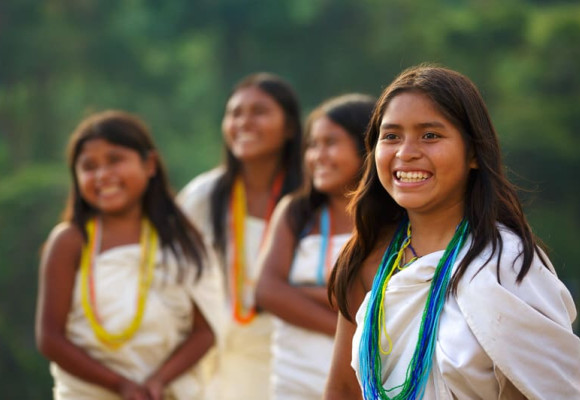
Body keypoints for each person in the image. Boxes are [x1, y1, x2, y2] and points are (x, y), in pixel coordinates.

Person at [324, 65, 580, 400]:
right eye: (391, 136)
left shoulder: (507, 263)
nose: (406, 152)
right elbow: (343, 390)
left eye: (430, 135)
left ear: (473, 153)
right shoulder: (367, 257)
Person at [35, 110, 224, 400]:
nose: (102, 175)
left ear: (150, 164)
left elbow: (204, 331)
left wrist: (157, 381)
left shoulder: (181, 240)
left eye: (114, 160)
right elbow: (50, 338)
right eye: (88, 166)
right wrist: (120, 384)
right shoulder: (70, 241)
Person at [177, 72, 303, 400]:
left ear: (290, 127)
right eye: (235, 113)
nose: (244, 122)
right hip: (213, 361)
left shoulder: (308, 200)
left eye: (259, 112)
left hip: (289, 358)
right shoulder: (203, 195)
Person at [255, 94, 375, 399]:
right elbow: (267, 291)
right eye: (312, 145)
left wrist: (299, 293)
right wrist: (347, 331)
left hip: (364, 381)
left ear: (367, 147)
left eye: (330, 143)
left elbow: (384, 303)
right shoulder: (297, 212)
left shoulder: (391, 219)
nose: (317, 155)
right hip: (292, 381)